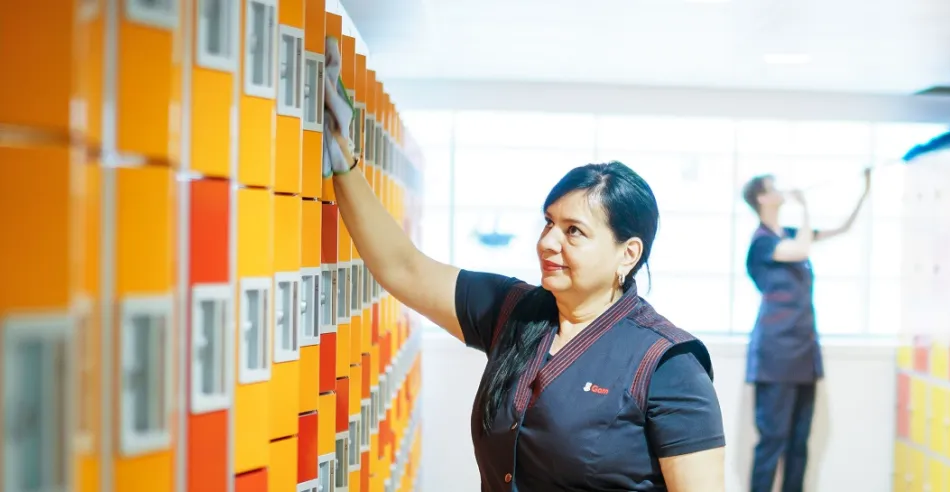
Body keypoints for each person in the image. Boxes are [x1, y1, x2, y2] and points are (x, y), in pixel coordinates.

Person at [322, 81, 726, 491]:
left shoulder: (668, 365)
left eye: (574, 232)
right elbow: (403, 268)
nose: (548, 241)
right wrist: (343, 160)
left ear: (628, 253)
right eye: (549, 222)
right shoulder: (514, 312)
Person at [739, 170, 870, 492]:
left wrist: (864, 191)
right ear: (761, 198)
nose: (782, 190)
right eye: (774, 188)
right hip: (776, 353)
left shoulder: (792, 234)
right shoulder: (763, 242)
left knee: (800, 441)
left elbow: (842, 229)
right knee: (773, 439)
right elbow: (801, 251)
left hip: (803, 350)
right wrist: (806, 206)